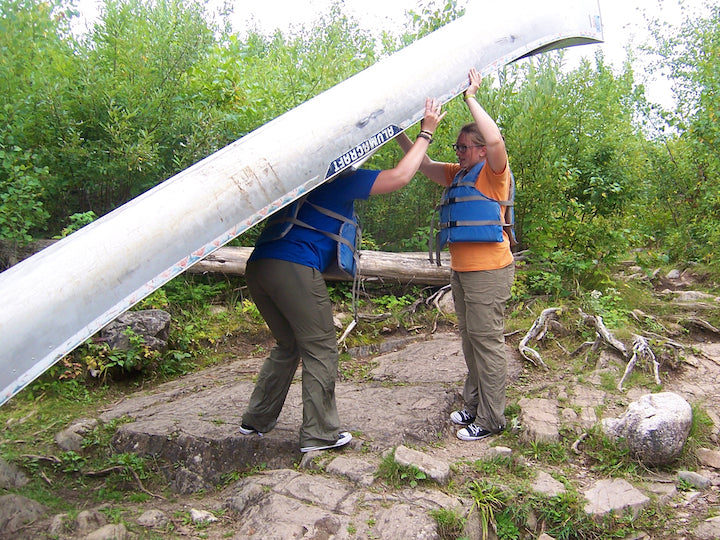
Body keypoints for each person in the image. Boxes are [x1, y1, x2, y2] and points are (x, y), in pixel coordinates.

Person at [240, 98, 446, 453]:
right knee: (320, 347)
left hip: (259, 265)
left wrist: (398, 133)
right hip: (293, 265)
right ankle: (319, 436)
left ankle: (256, 421)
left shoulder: (302, 180)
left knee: (289, 344)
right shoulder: (340, 180)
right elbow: (400, 176)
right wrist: (425, 133)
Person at [397, 68, 515, 442]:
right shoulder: (457, 173)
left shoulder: (492, 173)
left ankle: (492, 419)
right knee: (470, 340)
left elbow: (496, 140)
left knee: (486, 341)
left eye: (464, 147)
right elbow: (424, 166)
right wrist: (400, 133)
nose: (459, 152)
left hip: (489, 272)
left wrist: (470, 97)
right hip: (463, 272)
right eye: (457, 148)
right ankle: (474, 404)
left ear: (480, 150)